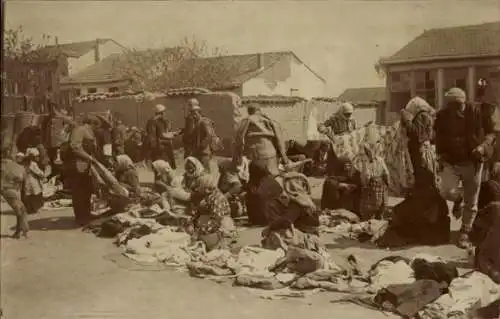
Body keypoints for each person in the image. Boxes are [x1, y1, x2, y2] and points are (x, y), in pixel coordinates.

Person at [377, 97, 450, 248]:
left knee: (421, 196)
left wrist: (407, 120)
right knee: (423, 195)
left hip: (421, 163)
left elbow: (417, 135)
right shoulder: (424, 117)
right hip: (421, 163)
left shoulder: (422, 117)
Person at [435, 87, 497, 249]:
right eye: (451, 106)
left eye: (458, 106)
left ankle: (465, 231)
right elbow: (439, 137)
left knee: (472, 200)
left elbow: (492, 133)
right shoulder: (442, 116)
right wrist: (440, 155)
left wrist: (483, 146)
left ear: (464, 102)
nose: (455, 111)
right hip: (452, 161)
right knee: (446, 191)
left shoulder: (478, 112)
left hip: (473, 161)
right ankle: (458, 199)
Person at [261, 172, 321, 252]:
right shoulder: (306, 199)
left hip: (307, 238)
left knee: (276, 232)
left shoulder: (297, 202)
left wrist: (270, 227)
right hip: (313, 235)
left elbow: (286, 221)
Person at [234, 104, 291, 177]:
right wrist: (284, 158)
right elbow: (279, 140)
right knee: (272, 178)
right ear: (259, 110)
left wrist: (236, 160)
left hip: (254, 156)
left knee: (255, 179)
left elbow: (239, 140)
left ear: (249, 111)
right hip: (271, 156)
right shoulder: (269, 120)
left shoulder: (246, 120)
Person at [67, 114, 102, 226]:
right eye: (95, 126)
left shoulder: (88, 132)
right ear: (91, 123)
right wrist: (89, 157)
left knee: (86, 190)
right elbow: (75, 147)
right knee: (79, 192)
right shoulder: (80, 130)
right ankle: (81, 217)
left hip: (86, 166)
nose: (96, 129)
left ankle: (86, 214)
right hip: (77, 165)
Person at [188, 173, 236, 251]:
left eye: (199, 187)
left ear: (206, 188)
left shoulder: (218, 198)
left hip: (219, 230)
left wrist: (198, 232)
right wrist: (191, 223)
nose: (197, 189)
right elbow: (196, 214)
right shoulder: (206, 197)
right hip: (206, 227)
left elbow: (216, 221)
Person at [355, 131, 390, 221]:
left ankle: (370, 225)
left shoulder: (365, 161)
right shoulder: (380, 159)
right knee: (381, 206)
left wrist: (364, 185)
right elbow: (386, 173)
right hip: (381, 185)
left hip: (372, 186)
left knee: (369, 209)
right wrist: (386, 184)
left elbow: (366, 175)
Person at [317, 102, 357, 175]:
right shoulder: (333, 118)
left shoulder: (352, 119)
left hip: (349, 142)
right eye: (346, 114)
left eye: (349, 114)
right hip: (337, 141)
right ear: (341, 112)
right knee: (333, 157)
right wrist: (326, 131)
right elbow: (320, 126)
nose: (348, 115)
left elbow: (354, 130)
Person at [1, 145, 29, 239]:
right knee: (21, 210)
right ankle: (21, 231)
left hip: (7, 189)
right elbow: (25, 181)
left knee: (20, 210)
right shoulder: (19, 167)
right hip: (16, 190)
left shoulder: (3, 165)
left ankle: (20, 231)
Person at [189, 102, 220, 174]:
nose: (193, 116)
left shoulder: (204, 122)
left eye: (195, 114)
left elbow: (209, 136)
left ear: (199, 113)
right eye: (192, 114)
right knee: (197, 170)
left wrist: (202, 146)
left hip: (203, 152)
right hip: (197, 151)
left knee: (205, 171)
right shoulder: (196, 123)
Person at [145, 104, 176, 169]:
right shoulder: (152, 122)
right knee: (159, 168)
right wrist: (168, 136)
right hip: (158, 149)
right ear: (160, 113)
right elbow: (153, 136)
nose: (165, 114)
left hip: (165, 148)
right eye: (164, 112)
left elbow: (166, 132)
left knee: (167, 168)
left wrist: (170, 134)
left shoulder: (164, 121)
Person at [22, 148, 46, 215]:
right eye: (37, 156)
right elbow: (38, 172)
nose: (38, 157)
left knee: (28, 194)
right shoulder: (33, 164)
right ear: (33, 157)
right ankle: (34, 208)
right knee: (35, 195)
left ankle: (29, 208)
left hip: (26, 180)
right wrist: (43, 175)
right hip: (33, 181)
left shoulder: (25, 163)